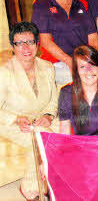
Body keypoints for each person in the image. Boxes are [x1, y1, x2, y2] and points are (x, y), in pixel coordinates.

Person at [0, 21, 58, 201]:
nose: (26, 47)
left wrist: (48, 115)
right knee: (40, 139)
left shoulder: (47, 67)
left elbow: (53, 99)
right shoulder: (4, 73)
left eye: (30, 42)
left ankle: (56, 181)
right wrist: (16, 119)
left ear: (37, 44)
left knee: (66, 132)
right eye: (19, 43)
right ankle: (31, 190)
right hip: (12, 123)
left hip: (40, 119)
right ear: (13, 47)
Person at [32, 0, 98, 85]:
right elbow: (45, 41)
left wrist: (93, 60)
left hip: (83, 61)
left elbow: (93, 37)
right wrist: (71, 62)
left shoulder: (81, 3)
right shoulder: (41, 4)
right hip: (57, 64)